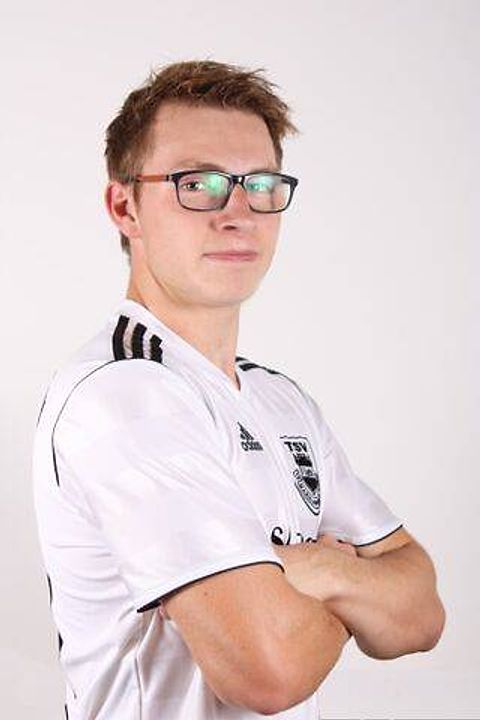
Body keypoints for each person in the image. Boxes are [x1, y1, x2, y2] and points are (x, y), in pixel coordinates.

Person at [33, 59, 445, 720]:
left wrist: (314, 570)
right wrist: (352, 593)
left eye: (260, 184)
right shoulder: (124, 394)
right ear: (124, 207)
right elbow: (268, 673)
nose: (238, 213)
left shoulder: (280, 400)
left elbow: (421, 615)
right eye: (197, 184)